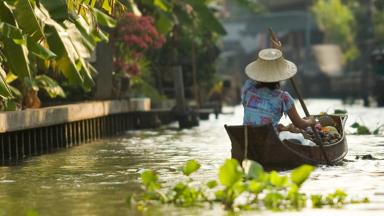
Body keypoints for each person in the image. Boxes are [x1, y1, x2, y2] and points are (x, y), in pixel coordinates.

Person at [241, 48, 316, 131]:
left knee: (280, 127)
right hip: (268, 140)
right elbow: (300, 124)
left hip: (246, 139)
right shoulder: (283, 97)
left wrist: (276, 52)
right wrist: (311, 121)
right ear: (280, 76)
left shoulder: (248, 88)